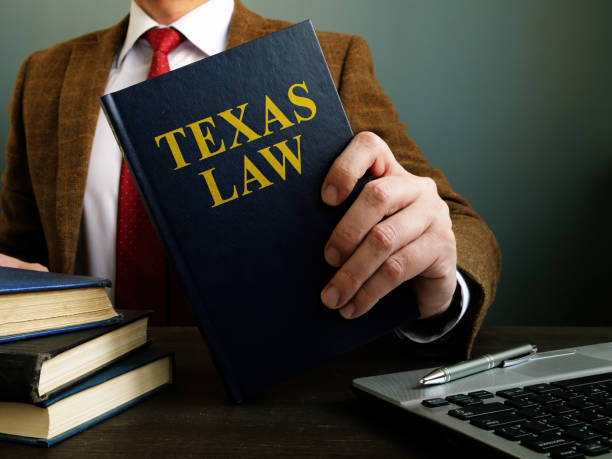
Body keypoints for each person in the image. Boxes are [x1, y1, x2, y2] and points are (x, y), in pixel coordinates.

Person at [0, 0, 500, 357]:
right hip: (84, 397)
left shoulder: (330, 58)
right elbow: (20, 249)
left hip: (280, 409)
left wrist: (438, 285)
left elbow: (454, 224)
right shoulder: (45, 75)